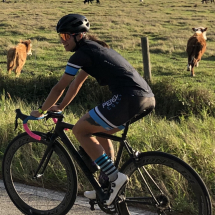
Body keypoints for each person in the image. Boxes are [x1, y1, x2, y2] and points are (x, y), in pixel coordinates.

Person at [30, 14, 155, 206]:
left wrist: (41, 111)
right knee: (100, 131)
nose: (62, 41)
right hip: (146, 98)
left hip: (128, 97)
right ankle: (106, 186)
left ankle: (115, 178)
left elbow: (60, 86)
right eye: (60, 37)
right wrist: (60, 106)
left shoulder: (81, 54)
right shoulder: (94, 50)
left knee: (80, 129)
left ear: (78, 36)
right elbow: (76, 84)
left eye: (64, 37)